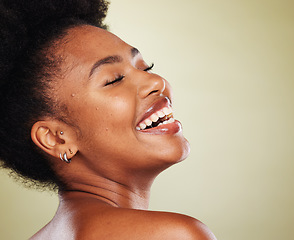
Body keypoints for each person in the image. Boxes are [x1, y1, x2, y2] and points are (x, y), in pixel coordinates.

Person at [0, 0, 216, 239]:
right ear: (56, 138)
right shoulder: (174, 235)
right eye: (114, 80)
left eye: (145, 68)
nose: (156, 82)